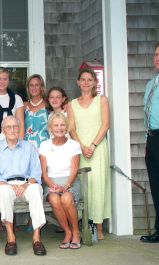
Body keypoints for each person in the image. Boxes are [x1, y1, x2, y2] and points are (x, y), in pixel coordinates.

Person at [0, 116, 47, 256]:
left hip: (26, 184)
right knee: (3, 191)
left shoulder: (29, 147)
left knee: (36, 190)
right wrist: (3, 183)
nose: (12, 130)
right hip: (5, 184)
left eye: (15, 126)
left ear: (19, 128)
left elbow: (36, 171)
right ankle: (11, 238)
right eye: (8, 127)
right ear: (3, 130)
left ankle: (37, 238)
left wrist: (27, 184)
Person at [68, 68, 111, 240]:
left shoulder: (101, 100)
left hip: (98, 149)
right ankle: (84, 225)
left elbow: (105, 124)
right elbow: (71, 129)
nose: (86, 82)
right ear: (78, 82)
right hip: (79, 150)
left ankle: (99, 228)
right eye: (83, 79)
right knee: (84, 189)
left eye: (89, 79)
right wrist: (82, 147)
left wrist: (92, 145)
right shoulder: (71, 104)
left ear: (95, 82)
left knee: (98, 187)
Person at [40, 113, 82, 249]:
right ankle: (67, 232)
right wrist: (53, 186)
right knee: (54, 199)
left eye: (62, 124)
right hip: (51, 183)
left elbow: (74, 170)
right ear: (50, 128)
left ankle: (76, 232)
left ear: (67, 127)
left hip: (70, 182)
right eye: (56, 125)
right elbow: (44, 173)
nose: (59, 128)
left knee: (66, 198)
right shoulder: (44, 145)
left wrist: (65, 187)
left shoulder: (74, 145)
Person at [140, 42, 159, 243]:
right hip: (152, 140)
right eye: (155, 54)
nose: (156, 58)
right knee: (156, 187)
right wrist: (147, 141)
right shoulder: (150, 84)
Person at [24, 74, 50, 148]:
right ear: (28, 88)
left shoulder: (49, 105)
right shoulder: (24, 106)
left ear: (41, 87)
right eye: (31, 85)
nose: (34, 88)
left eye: (37, 85)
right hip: (27, 147)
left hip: (45, 147)